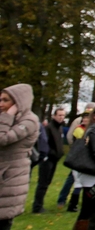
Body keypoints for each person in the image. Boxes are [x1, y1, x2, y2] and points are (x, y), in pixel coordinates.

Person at [0, 84, 40, 230]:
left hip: (10, 178)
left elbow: (2, 139)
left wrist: (7, 116)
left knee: (3, 220)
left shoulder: (29, 121)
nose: (1, 104)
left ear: (18, 102)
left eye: (5, 100)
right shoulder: (6, 119)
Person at [58, 106, 94, 212]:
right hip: (79, 159)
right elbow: (82, 144)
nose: (86, 119)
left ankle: (79, 203)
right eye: (85, 117)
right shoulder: (79, 129)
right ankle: (72, 205)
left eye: (88, 117)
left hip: (86, 159)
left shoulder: (91, 129)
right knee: (77, 181)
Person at [33, 107, 66, 213]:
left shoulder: (60, 128)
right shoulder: (49, 128)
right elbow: (44, 144)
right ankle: (37, 206)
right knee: (42, 183)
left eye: (63, 115)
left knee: (47, 182)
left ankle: (40, 204)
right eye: (59, 115)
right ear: (54, 116)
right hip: (47, 159)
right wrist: (50, 154)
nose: (61, 117)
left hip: (55, 159)